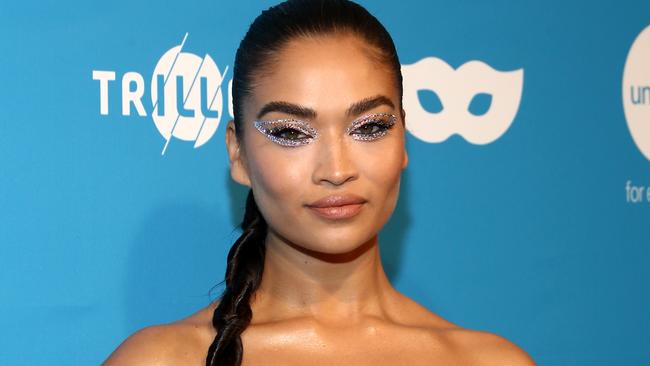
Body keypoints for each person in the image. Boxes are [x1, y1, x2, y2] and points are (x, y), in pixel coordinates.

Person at [104, 0, 536, 365]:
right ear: (238, 155)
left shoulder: (488, 360)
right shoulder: (164, 359)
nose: (336, 168)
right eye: (292, 133)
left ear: (404, 139)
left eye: (368, 127)